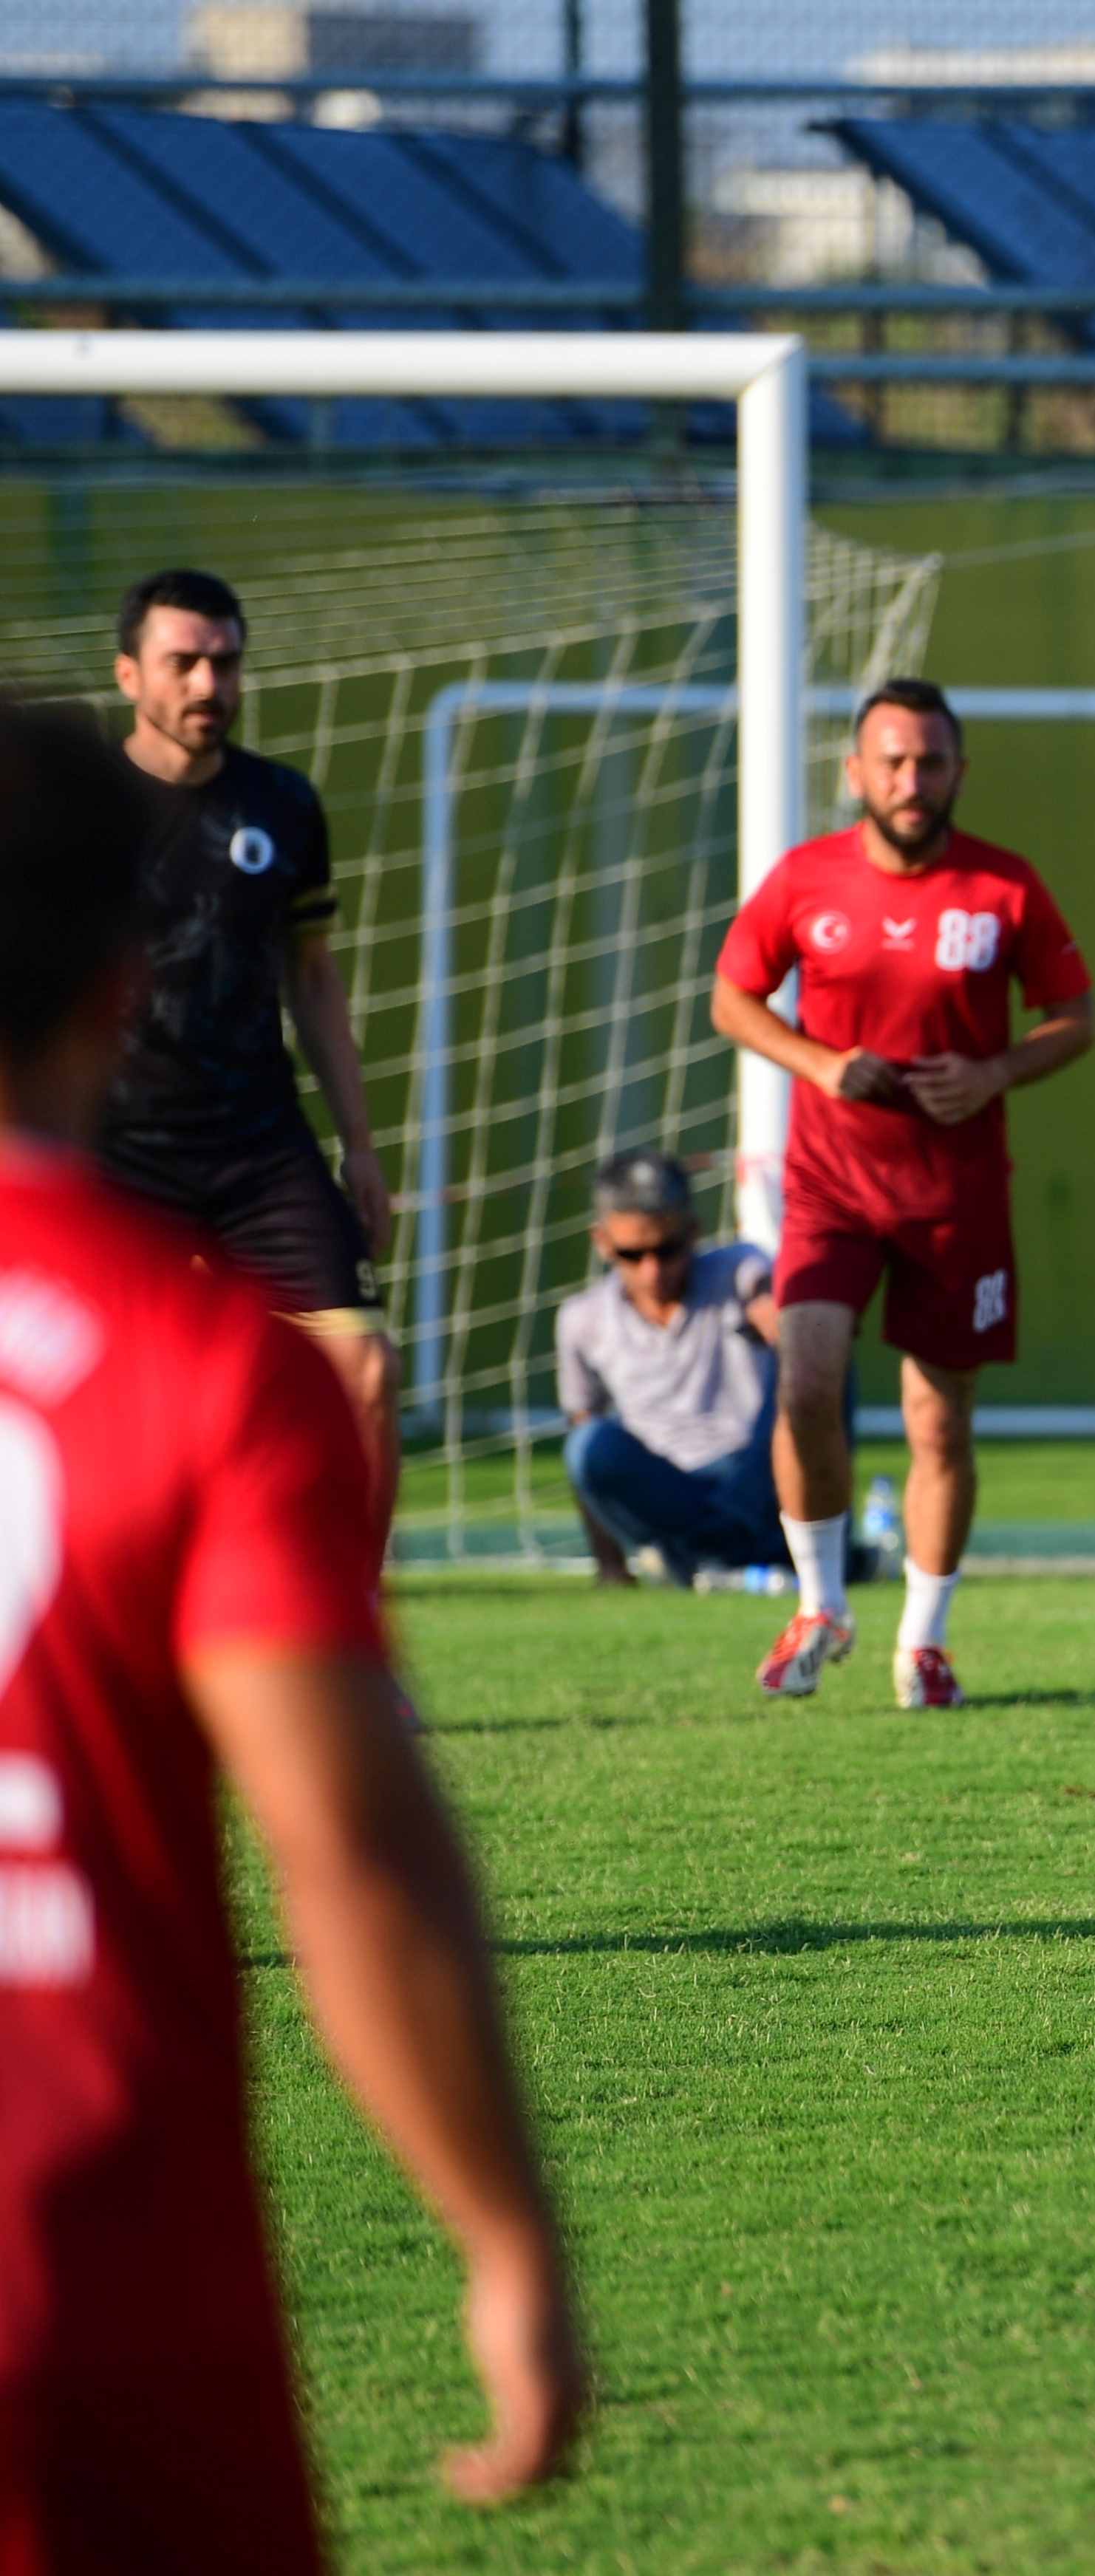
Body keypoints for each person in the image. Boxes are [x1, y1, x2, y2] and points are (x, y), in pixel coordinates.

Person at [0, 697, 584, 2569]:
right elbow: (353, 1861)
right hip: (89, 2288)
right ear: (121, 990)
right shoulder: (202, 1378)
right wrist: (504, 2239)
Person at [711, 678, 1095, 1709]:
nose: (911, 779)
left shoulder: (1003, 887)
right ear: (856, 773)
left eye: (929, 761)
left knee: (939, 1425)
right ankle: (821, 1599)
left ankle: (921, 1641)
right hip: (831, 1182)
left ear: (958, 770)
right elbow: (732, 994)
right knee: (805, 1378)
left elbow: (1074, 1013)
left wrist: (993, 1072)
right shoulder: (805, 878)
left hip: (955, 1195)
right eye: (892, 760)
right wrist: (822, 1062)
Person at [86, 566, 402, 1524]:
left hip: (257, 1148)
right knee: (83, 1394)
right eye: (181, 662)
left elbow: (313, 975)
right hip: (110, 1147)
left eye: (224, 664)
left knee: (365, 1368)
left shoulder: (283, 806)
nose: (205, 686)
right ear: (129, 675)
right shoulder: (81, 809)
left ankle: (352, 1625)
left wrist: (360, 1145)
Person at [556, 1147, 790, 1587]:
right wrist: (610, 1568)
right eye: (633, 1254)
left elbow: (764, 1293)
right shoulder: (581, 1319)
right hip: (670, 1490)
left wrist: (777, 1319)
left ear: (694, 1231)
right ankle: (726, 1554)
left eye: (669, 1250)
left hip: (756, 1478)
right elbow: (584, 1443)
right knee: (588, 1445)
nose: (652, 1271)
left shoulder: (737, 1269)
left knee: (815, 1349)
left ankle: (699, 1558)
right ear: (602, 1242)